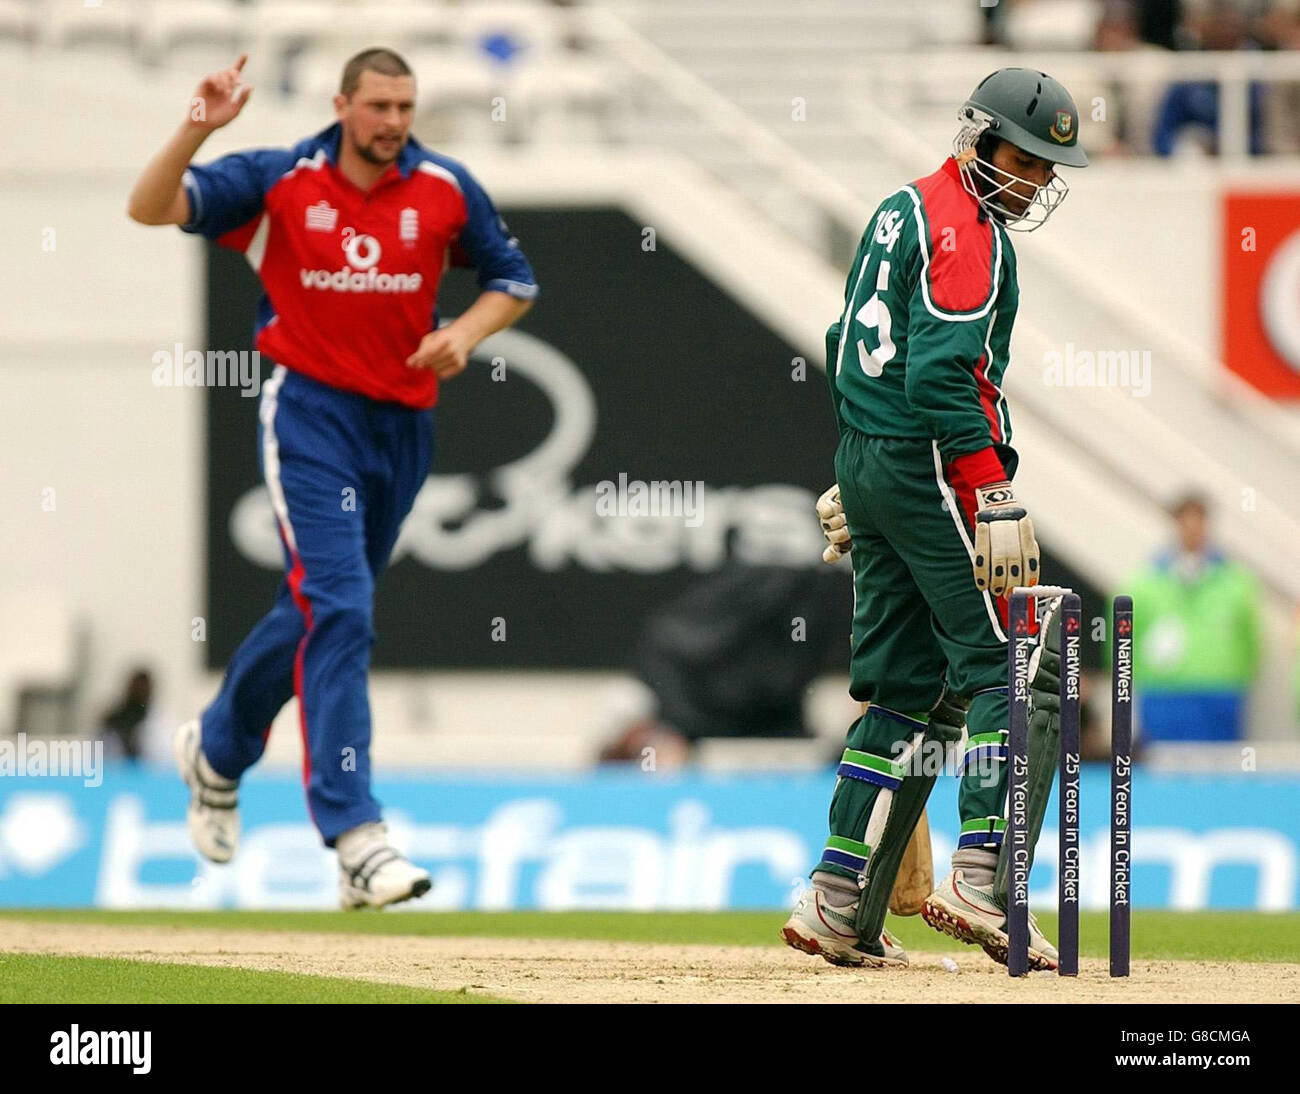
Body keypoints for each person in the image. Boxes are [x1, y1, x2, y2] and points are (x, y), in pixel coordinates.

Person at [127, 48, 537, 908]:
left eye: (406, 105)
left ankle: (217, 747)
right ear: (343, 103)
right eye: (379, 105)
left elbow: (512, 281)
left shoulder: (445, 188)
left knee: (318, 607)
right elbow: (150, 206)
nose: (394, 121)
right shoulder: (282, 181)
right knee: (343, 607)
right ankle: (355, 834)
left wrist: (465, 334)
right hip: (312, 417)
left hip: (403, 426)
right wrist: (198, 128)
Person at [781, 68, 1088, 971]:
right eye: (1021, 159)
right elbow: (943, 376)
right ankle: (980, 874)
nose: (1030, 181)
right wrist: (988, 490)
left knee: (905, 694)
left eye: (1044, 167)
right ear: (977, 138)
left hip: (875, 457)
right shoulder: (970, 232)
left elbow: (846, 343)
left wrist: (858, 466)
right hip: (929, 465)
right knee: (1006, 660)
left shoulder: (898, 207)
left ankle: (837, 901)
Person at [1123, 493, 1261, 742]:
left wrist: (1233, 676)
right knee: (1162, 769)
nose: (1192, 530)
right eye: (1185, 521)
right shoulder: (1145, 582)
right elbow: (1123, 639)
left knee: (1219, 770)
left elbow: (1250, 639)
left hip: (1219, 692)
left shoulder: (1235, 581)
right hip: (1162, 694)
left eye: (1198, 521)